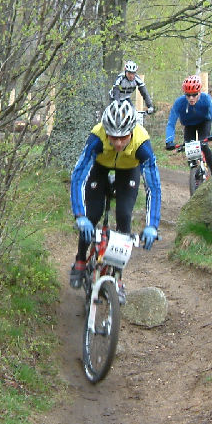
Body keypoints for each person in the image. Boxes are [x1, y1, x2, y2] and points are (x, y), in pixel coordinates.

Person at [69, 99, 161, 303]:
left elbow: (153, 187)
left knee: (124, 216)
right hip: (100, 167)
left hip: (129, 169)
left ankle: (117, 277)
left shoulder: (142, 144)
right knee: (92, 215)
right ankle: (81, 260)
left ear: (132, 132)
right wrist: (79, 214)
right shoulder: (97, 138)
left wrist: (152, 225)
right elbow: (78, 177)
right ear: (106, 132)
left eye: (124, 137)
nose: (118, 143)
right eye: (113, 137)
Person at [164, 74, 212, 176]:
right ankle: (194, 173)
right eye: (188, 95)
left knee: (203, 145)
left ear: (199, 93)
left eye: (194, 94)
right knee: (189, 148)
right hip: (189, 125)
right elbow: (171, 123)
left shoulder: (206, 99)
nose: (191, 98)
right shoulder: (179, 103)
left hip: (204, 122)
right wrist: (169, 141)